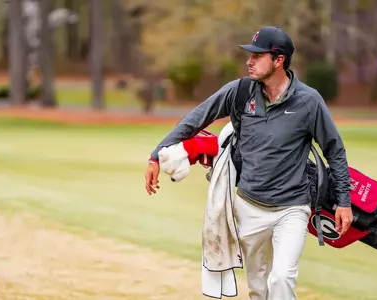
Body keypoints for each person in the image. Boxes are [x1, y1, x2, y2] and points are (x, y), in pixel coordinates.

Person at [144, 26, 353, 300]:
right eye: (249, 56)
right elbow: (197, 119)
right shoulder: (240, 92)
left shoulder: (309, 102)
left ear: (279, 60)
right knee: (258, 288)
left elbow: (334, 150)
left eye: (257, 56)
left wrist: (344, 201)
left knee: (281, 278)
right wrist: (157, 154)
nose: (249, 62)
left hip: (292, 209)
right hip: (248, 207)